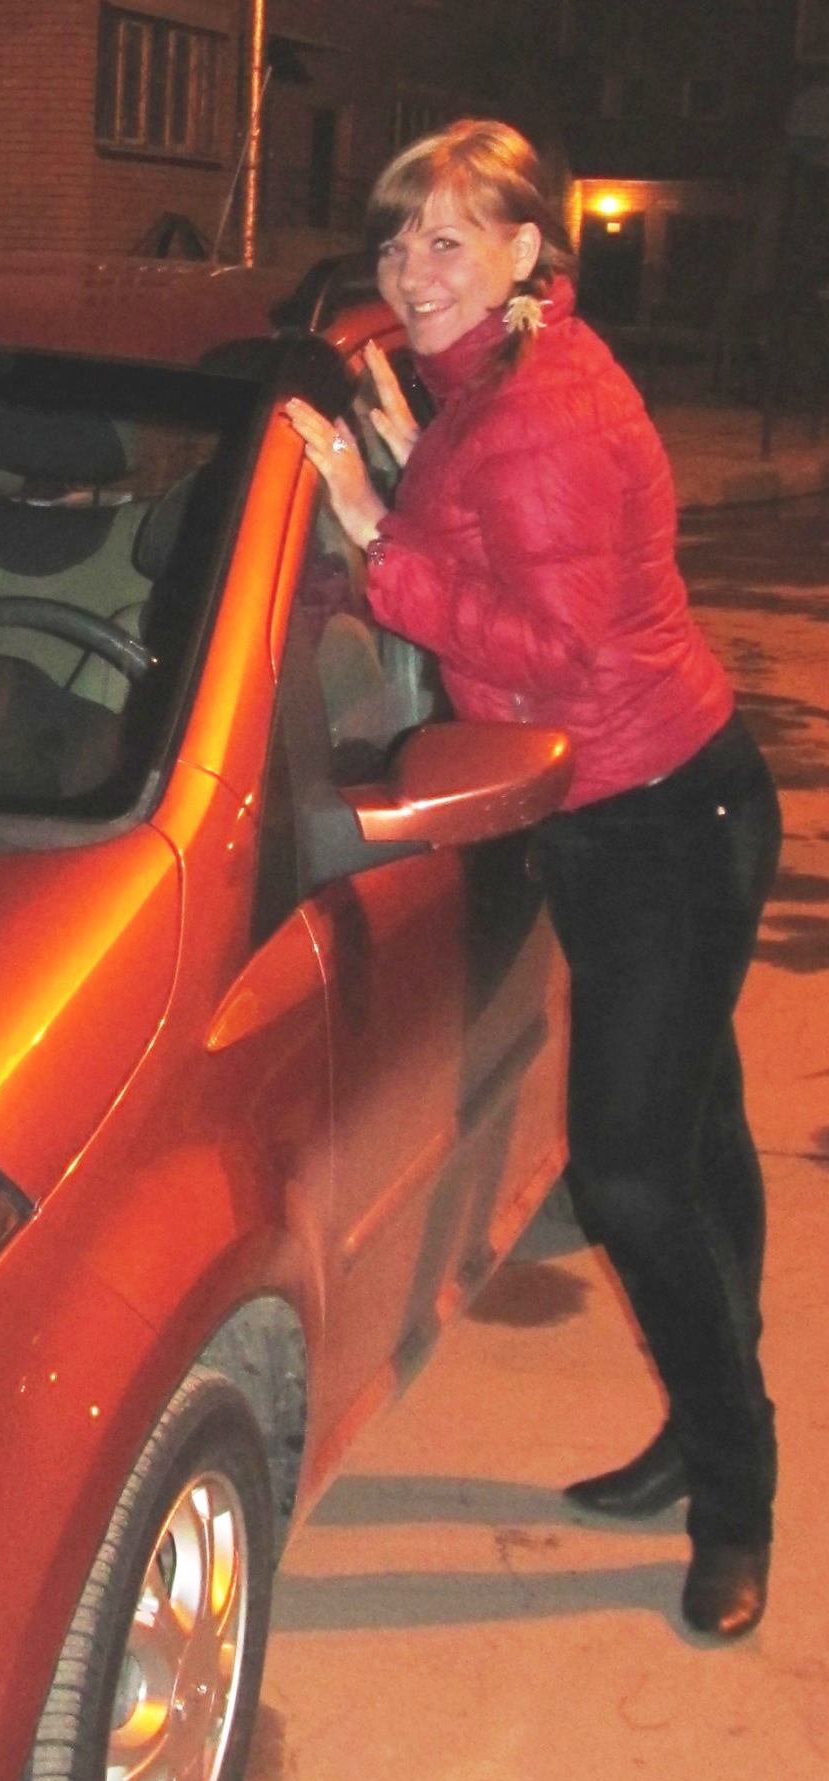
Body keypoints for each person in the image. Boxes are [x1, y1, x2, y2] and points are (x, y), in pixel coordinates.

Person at [285, 121, 783, 1640]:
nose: (409, 269)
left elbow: (553, 649)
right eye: (395, 239)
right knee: (695, 1124)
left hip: (659, 820)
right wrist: (401, 458)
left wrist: (373, 537)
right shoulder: (492, 378)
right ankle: (710, 1413)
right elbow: (495, 536)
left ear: (523, 253)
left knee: (628, 1169)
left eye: (445, 239)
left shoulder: (541, 409)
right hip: (645, 802)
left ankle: (735, 1494)